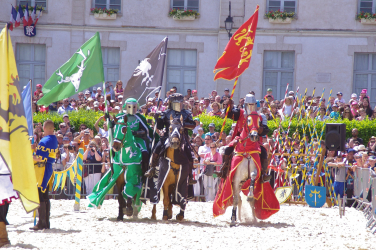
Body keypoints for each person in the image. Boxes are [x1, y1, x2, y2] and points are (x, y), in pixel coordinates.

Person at [145, 93, 196, 184]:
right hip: (168, 136)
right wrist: (158, 119)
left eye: (180, 102)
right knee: (156, 149)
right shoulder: (166, 112)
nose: (179, 104)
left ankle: (190, 175)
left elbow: (193, 125)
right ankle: (152, 168)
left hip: (182, 137)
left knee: (190, 154)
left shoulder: (187, 113)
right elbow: (160, 126)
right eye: (176, 102)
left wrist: (183, 124)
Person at [219, 94, 271, 182]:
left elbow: (266, 129)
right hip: (240, 139)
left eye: (253, 105)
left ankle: (263, 174)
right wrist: (229, 106)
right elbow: (229, 114)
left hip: (254, 140)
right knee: (227, 149)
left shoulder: (260, 116)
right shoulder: (240, 112)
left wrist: (259, 129)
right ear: (246, 104)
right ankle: (223, 170)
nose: (251, 107)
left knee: (264, 152)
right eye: (249, 105)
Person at [30, 120, 58, 230]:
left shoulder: (45, 141)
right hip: (48, 168)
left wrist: (29, 155)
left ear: (44, 128)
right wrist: (35, 149)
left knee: (40, 194)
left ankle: (42, 223)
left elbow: (40, 158)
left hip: (42, 169)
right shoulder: (53, 139)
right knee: (45, 195)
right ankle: (46, 222)